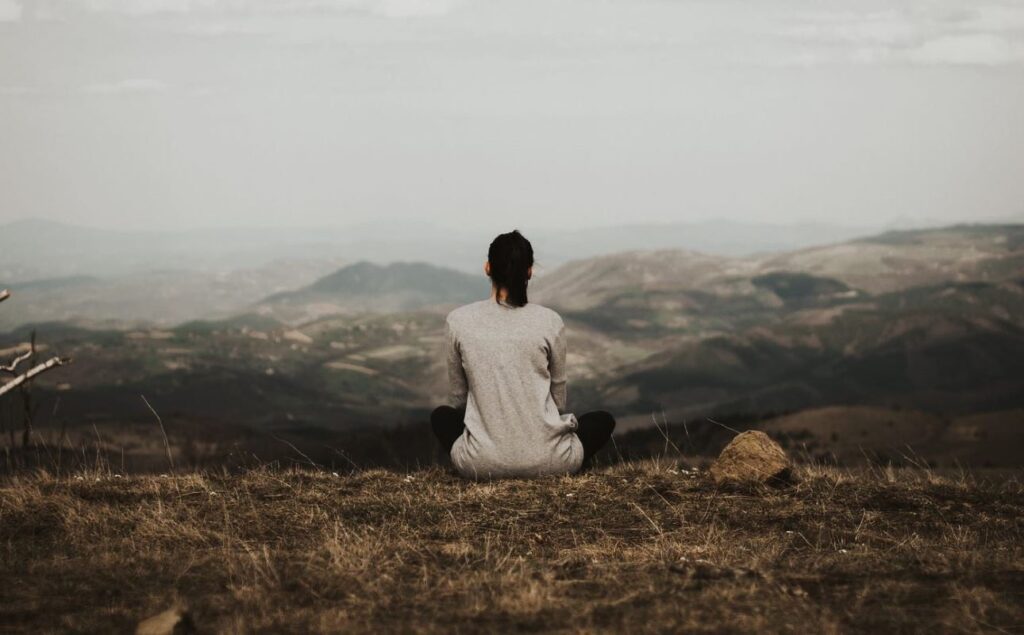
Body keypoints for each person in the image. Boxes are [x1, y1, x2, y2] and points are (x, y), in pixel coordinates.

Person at [430, 229, 616, 479]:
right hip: (552, 462)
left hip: (480, 464)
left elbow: (459, 400)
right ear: (529, 271)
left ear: (487, 268)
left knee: (441, 417)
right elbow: (558, 402)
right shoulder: (550, 321)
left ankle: (489, 456)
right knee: (602, 420)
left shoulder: (458, 321)